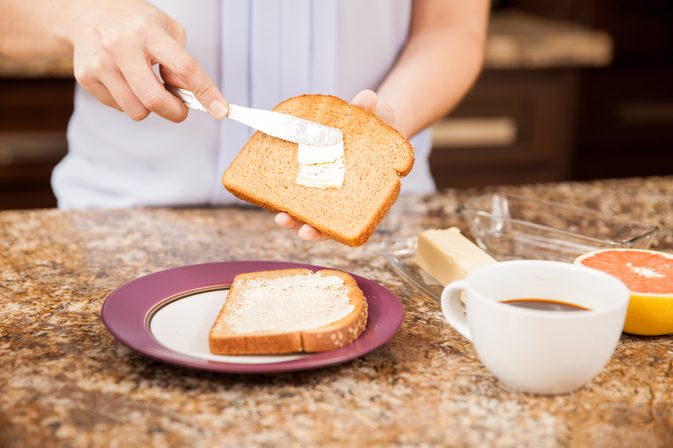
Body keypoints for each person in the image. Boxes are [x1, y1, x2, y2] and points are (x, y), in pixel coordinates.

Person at [0, 0, 488, 240]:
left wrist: (377, 130)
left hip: (378, 232)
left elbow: (452, 26)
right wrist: (80, 16)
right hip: (120, 222)